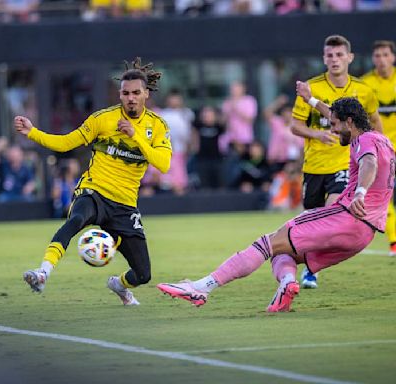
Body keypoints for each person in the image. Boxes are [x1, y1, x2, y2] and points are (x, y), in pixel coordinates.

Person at [158, 97, 394, 312]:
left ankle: (201, 287)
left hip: (346, 218)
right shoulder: (385, 142)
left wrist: (360, 192)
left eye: (334, 123)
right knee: (283, 253)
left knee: (268, 243)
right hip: (364, 235)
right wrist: (311, 98)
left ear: (349, 121)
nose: (331, 128)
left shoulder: (363, 140)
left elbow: (369, 164)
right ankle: (287, 284)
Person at [15, 58, 172, 305]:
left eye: (136, 93)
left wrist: (136, 136)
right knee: (76, 219)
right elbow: (67, 142)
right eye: (125, 93)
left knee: (143, 274)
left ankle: (118, 285)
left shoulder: (157, 126)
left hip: (125, 205)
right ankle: (43, 272)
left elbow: (163, 164)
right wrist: (33, 132)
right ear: (120, 95)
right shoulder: (102, 119)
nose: (130, 98)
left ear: (146, 94)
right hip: (95, 191)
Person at [291, 34, 382, 289]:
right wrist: (316, 133)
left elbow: (375, 123)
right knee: (311, 219)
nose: (334, 59)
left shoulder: (363, 90)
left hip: (344, 165)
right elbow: (295, 126)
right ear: (324, 58)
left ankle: (312, 269)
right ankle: (309, 263)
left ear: (350, 58)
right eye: (330, 55)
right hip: (314, 166)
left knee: (330, 214)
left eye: (340, 54)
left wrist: (381, 148)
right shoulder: (312, 87)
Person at [361, 40, 396, 256]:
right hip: (382, 150)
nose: (381, 60)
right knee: (386, 195)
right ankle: (394, 241)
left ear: (393, 57)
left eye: (385, 55)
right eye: (377, 56)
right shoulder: (365, 84)